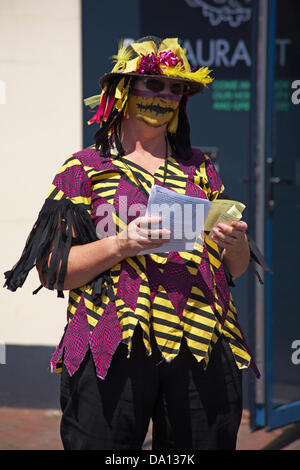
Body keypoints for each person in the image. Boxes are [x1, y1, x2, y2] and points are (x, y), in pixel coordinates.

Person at [4, 36, 261, 450]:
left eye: (175, 88)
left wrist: (235, 242)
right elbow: (54, 272)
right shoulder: (86, 168)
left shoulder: (201, 170)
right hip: (111, 338)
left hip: (201, 340)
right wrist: (122, 245)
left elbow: (234, 268)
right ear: (123, 92)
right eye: (152, 85)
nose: (165, 97)